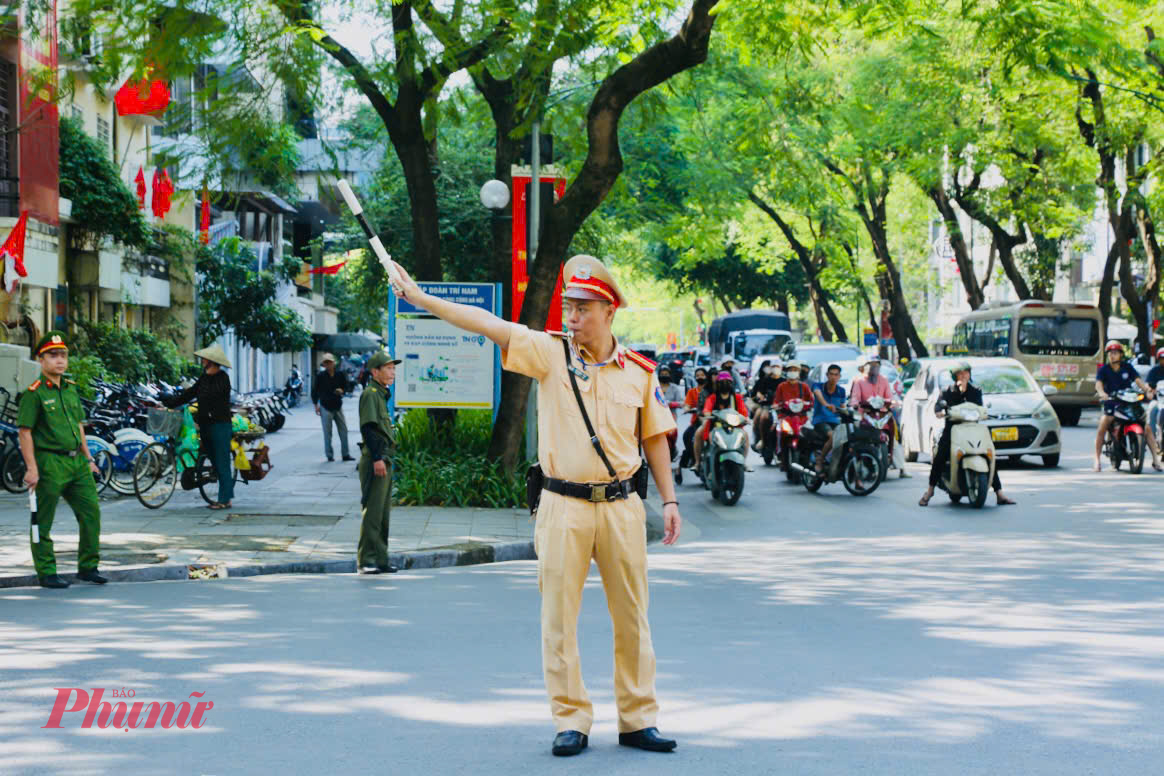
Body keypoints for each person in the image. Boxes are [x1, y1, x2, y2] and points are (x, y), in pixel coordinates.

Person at [386, 253, 681, 757]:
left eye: (583, 308)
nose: (572, 317)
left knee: (633, 616)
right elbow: (488, 324)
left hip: (620, 507)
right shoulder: (550, 354)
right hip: (562, 504)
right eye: (568, 307)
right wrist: (419, 298)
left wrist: (670, 500)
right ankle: (571, 719)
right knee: (558, 617)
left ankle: (637, 718)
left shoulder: (639, 373)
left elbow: (654, 438)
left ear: (610, 311)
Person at [17, 331, 106, 589]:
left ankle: (88, 567)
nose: (59, 360)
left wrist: (89, 458)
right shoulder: (34, 394)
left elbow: (78, 426)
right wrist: (32, 468)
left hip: (76, 462)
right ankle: (47, 571)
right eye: (52, 355)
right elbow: (25, 432)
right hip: (49, 463)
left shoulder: (70, 389)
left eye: (63, 355)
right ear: (41, 360)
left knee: (91, 513)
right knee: (42, 520)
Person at [920, 362, 1016, 506]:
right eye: (960, 373)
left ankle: (999, 493)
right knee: (940, 455)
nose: (964, 375)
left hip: (973, 429)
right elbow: (939, 405)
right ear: (955, 376)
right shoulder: (947, 391)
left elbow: (979, 408)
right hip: (953, 429)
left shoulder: (976, 391)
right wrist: (940, 411)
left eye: (966, 372)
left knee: (988, 453)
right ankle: (930, 490)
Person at [163, 344, 236, 509]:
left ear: (211, 361)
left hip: (220, 424)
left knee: (222, 461)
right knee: (212, 458)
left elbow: (213, 395)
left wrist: (201, 402)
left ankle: (225, 499)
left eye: (204, 359)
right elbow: (191, 393)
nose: (202, 361)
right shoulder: (204, 377)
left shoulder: (222, 378)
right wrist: (171, 403)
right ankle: (224, 493)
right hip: (205, 424)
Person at [357, 350, 401, 575]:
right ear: (375, 371)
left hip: (384, 458)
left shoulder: (381, 393)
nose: (393, 372)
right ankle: (367, 560)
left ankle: (381, 559)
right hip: (376, 458)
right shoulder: (370, 394)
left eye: (394, 368)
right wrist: (376, 458)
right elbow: (369, 428)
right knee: (373, 513)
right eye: (389, 368)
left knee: (383, 513)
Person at [1094, 340, 1162, 471]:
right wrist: (1102, 393)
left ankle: (1155, 460)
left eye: (1115, 353)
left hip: (1129, 402)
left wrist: (1146, 390)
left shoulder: (1128, 367)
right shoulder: (1104, 369)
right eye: (1110, 353)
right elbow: (1099, 384)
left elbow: (1138, 381)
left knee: (1146, 428)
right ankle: (1097, 460)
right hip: (1112, 402)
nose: (1112, 355)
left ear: (1121, 354)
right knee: (1103, 424)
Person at [849, 354, 909, 478]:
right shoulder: (858, 381)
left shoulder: (884, 380)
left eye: (877, 365)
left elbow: (890, 397)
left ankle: (901, 468)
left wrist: (893, 403)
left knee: (895, 437)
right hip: (865, 415)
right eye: (871, 365)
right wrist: (855, 404)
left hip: (882, 415)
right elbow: (855, 398)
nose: (874, 368)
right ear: (865, 367)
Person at [693, 371, 750, 470]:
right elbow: (707, 409)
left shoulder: (737, 398)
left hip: (734, 426)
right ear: (718, 384)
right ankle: (697, 463)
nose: (725, 384)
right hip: (715, 425)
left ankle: (743, 462)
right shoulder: (713, 397)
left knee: (745, 436)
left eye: (727, 382)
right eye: (722, 382)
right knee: (699, 433)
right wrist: (707, 414)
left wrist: (745, 418)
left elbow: (743, 412)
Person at [312, 352, 354, 463]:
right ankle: (329, 455)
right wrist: (316, 405)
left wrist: (342, 390)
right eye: (326, 363)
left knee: (344, 430)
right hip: (325, 406)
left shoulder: (340, 374)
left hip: (337, 405)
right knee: (327, 432)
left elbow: (347, 386)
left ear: (333, 363)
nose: (328, 364)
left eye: (330, 362)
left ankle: (346, 454)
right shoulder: (320, 376)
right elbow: (315, 391)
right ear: (324, 365)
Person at [772, 359, 812, 461]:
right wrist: (777, 405)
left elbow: (811, 401)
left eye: (795, 370)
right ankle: (779, 451)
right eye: (791, 369)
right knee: (777, 431)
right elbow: (776, 401)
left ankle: (808, 456)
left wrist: (808, 404)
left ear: (799, 372)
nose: (793, 372)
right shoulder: (781, 386)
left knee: (810, 434)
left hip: (801, 418)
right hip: (785, 417)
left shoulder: (804, 386)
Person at [811, 364, 846, 472]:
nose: (833, 377)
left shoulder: (841, 391)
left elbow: (843, 407)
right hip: (820, 421)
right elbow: (819, 396)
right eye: (831, 374)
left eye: (836, 375)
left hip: (836, 422)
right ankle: (820, 460)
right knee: (833, 436)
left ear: (839, 376)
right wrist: (826, 405)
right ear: (827, 375)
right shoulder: (818, 386)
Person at [749, 360, 781, 452]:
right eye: (774, 366)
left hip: (781, 407)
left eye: (778, 366)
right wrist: (761, 396)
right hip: (767, 406)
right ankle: (762, 440)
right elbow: (758, 393)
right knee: (763, 417)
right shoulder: (764, 380)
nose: (776, 368)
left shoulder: (784, 381)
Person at [681, 367, 711, 457]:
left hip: (711, 419)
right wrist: (687, 408)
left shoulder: (711, 391)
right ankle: (692, 457)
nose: (700, 377)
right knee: (687, 436)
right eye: (697, 376)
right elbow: (687, 404)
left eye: (702, 375)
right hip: (697, 420)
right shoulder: (691, 392)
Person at [1147, 347, 1164, 439]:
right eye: (1162, 358)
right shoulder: (1154, 371)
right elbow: (1148, 384)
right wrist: (1150, 391)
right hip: (1158, 400)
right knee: (1152, 411)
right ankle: (1152, 437)